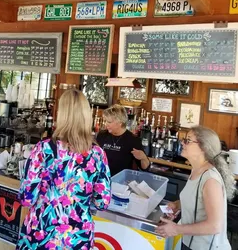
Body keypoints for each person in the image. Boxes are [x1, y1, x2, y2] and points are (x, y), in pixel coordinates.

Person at [17, 89, 111, 250]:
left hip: (41, 235)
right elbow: (103, 202)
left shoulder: (43, 149)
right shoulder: (97, 154)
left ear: (61, 115)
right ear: (86, 116)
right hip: (77, 239)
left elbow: (27, 198)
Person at [156, 126, 235, 250]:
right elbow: (196, 199)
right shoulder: (196, 170)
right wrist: (177, 205)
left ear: (204, 148)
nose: (182, 142)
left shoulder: (210, 180)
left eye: (188, 140)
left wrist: (176, 229)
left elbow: (214, 226)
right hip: (190, 242)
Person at [96, 104, 150, 176]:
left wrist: (143, 158)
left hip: (120, 181)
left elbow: (145, 168)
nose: (106, 124)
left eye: (109, 122)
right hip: (101, 179)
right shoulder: (102, 135)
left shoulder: (132, 140)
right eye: (105, 121)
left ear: (120, 123)